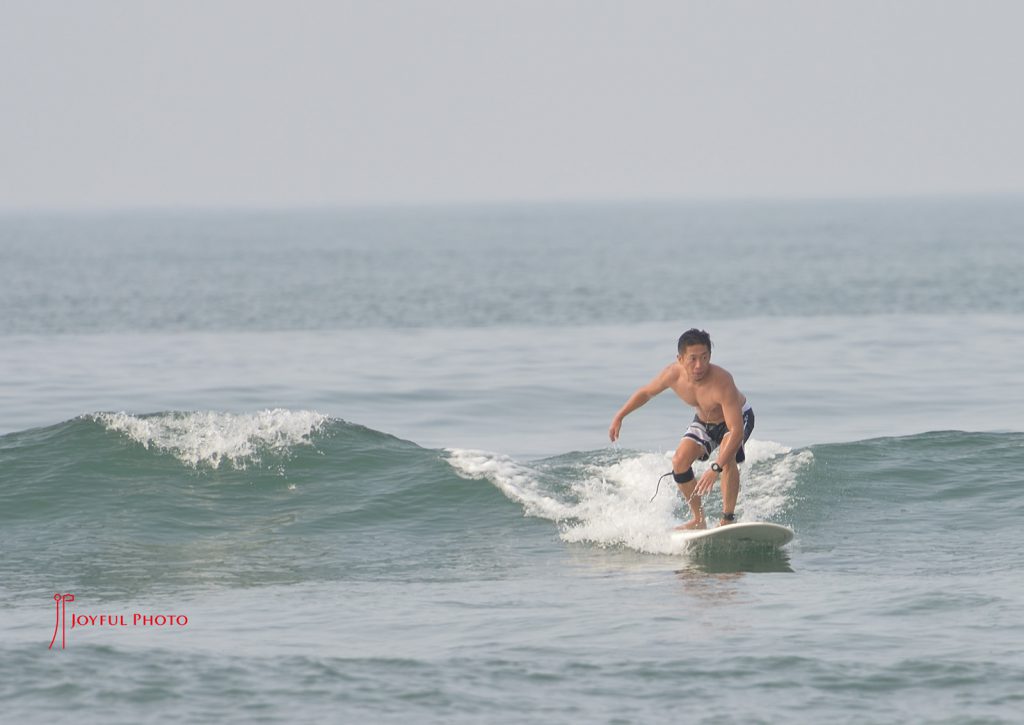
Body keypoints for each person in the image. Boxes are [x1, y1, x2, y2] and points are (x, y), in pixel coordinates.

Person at [608, 329, 754, 529]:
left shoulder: (722, 381)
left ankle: (727, 519)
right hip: (704, 421)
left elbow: (736, 430)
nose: (699, 365)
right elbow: (646, 393)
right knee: (679, 461)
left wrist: (715, 468)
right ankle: (698, 520)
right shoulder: (672, 375)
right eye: (692, 359)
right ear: (680, 358)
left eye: (704, 358)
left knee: (727, 456)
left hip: (737, 419)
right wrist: (620, 416)